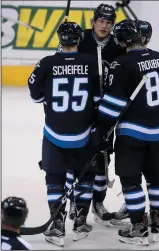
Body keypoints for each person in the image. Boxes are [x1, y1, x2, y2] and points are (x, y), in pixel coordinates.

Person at [93, 19, 159, 245]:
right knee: (158, 179)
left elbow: (111, 106)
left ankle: (138, 227)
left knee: (131, 181)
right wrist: (156, 110)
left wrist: (101, 130)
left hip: (132, 135)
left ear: (122, 41)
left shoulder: (120, 64)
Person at [27, 21, 101, 246]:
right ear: (79, 40)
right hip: (84, 134)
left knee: (54, 179)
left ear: (59, 39)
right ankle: (80, 220)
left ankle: (57, 223)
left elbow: (35, 95)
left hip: (54, 134)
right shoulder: (90, 62)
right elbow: (98, 100)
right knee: (85, 177)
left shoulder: (47, 63)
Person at [67, 3, 125, 227]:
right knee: (75, 157)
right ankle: (74, 200)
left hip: (107, 111)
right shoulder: (80, 39)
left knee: (102, 157)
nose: (104, 25)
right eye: (101, 20)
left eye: (109, 22)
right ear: (93, 21)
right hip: (80, 109)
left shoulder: (118, 46)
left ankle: (97, 202)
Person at [110, 19, 153, 226]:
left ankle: (138, 213)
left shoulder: (126, 61)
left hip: (132, 128)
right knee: (146, 173)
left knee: (133, 171)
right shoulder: (156, 58)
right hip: (155, 128)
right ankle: (143, 209)